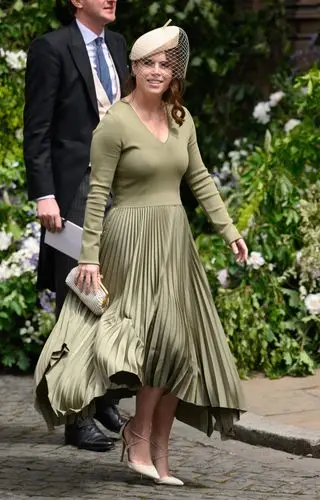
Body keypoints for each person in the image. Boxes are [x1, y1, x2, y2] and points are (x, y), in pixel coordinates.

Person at [34, 22, 248, 486]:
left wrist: (228, 229)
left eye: (165, 64)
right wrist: (88, 257)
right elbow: (96, 195)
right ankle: (137, 433)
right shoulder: (115, 123)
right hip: (129, 240)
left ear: (176, 72)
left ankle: (155, 448)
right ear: (132, 68)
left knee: (178, 349)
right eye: (147, 63)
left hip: (174, 240)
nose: (156, 71)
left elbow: (201, 178)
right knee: (157, 345)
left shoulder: (181, 119)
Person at [23, 0, 128, 452]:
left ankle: (102, 394)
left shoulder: (120, 46)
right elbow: (37, 128)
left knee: (117, 294)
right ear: (75, 1)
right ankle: (76, 415)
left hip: (120, 189)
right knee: (78, 301)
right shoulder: (50, 48)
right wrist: (44, 193)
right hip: (73, 192)